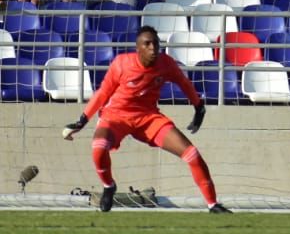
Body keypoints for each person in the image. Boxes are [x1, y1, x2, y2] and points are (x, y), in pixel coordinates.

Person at [62, 26, 231, 214]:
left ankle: (212, 204)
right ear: (138, 48)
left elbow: (184, 83)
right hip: (116, 117)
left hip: (148, 118)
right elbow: (103, 93)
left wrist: (199, 107)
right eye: (147, 44)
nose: (153, 48)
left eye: (155, 44)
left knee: (192, 154)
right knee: (98, 147)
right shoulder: (122, 63)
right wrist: (82, 120)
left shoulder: (166, 63)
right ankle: (109, 186)